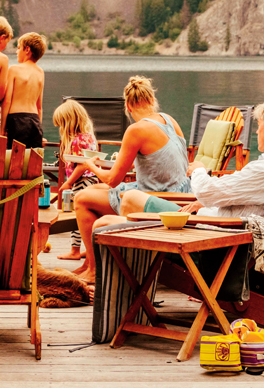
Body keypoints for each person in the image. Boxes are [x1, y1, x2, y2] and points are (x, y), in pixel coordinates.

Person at [69, 76, 190, 282]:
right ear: (152, 99)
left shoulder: (136, 130)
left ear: (128, 106)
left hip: (157, 199)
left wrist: (89, 165)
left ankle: (94, 269)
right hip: (181, 194)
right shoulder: (169, 120)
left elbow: (113, 180)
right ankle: (88, 263)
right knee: (96, 189)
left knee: (81, 198)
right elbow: (166, 159)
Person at [112, 95, 264, 220]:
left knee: (130, 198)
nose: (256, 131)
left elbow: (205, 189)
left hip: (209, 235)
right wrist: (202, 204)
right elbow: (232, 194)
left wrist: (198, 170)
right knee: (108, 221)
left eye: (259, 125)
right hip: (209, 217)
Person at [52, 99, 98, 261]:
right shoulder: (89, 137)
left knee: (77, 216)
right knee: (89, 218)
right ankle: (89, 249)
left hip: (81, 181)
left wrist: (69, 182)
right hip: (92, 180)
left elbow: (81, 166)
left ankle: (75, 250)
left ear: (69, 122)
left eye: (61, 125)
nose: (60, 129)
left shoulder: (78, 140)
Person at [1, 32, 47, 149]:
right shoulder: (40, 72)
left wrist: (2, 130)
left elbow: (7, 102)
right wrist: (39, 128)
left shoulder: (14, 69)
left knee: (15, 159)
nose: (17, 52)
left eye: (18, 48)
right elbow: (39, 107)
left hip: (17, 121)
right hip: (35, 121)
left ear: (27, 50)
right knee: (33, 160)